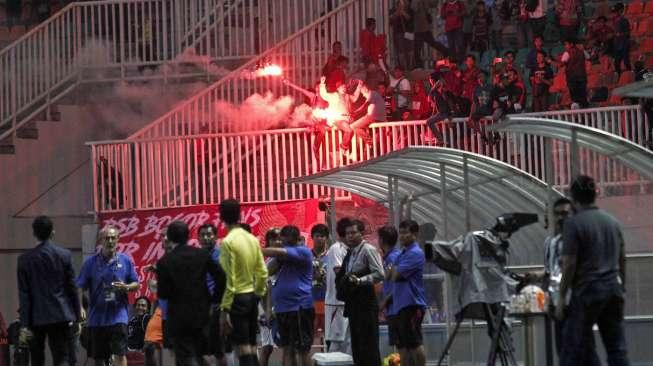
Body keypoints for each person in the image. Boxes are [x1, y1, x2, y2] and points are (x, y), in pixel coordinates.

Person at [558, 175, 630, 366]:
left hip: (587, 292)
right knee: (616, 348)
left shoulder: (573, 224)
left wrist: (561, 297)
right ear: (594, 194)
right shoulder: (612, 222)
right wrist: (622, 286)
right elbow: (622, 258)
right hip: (613, 290)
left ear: (573, 198)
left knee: (572, 347)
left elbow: (569, 264)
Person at [156, 221, 225, 366]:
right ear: (189, 236)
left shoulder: (164, 262)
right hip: (202, 313)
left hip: (178, 316)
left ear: (170, 237)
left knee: (185, 357)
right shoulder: (202, 255)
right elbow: (221, 276)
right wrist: (215, 300)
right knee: (203, 354)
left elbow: (163, 294)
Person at [16, 216, 80, 366]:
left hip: (35, 317)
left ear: (34, 233)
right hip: (61, 314)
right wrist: (77, 316)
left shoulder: (24, 259)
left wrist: (24, 324)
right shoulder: (64, 255)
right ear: (53, 233)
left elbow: (24, 294)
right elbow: (72, 288)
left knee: (37, 359)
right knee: (62, 357)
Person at [77, 226, 139, 366]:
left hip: (118, 316)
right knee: (99, 357)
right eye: (106, 238)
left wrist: (126, 287)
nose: (110, 241)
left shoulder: (125, 261)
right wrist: (80, 306)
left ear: (118, 239)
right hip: (97, 318)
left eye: (113, 238)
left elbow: (136, 284)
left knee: (120, 353)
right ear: (101, 240)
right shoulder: (90, 263)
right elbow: (80, 286)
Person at [218, 199, 268, 366]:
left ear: (222, 217)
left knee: (243, 348)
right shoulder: (252, 239)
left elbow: (229, 280)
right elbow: (262, 272)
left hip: (237, 299)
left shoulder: (227, 242)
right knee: (252, 346)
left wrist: (224, 310)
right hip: (252, 297)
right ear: (240, 215)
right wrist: (258, 295)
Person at [262, 226, 315, 366]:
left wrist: (251, 250)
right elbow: (266, 271)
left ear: (297, 240)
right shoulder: (281, 258)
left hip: (299, 307)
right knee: (287, 349)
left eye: (286, 241)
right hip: (282, 308)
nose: (282, 243)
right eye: (281, 240)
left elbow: (277, 251)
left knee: (302, 349)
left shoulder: (303, 251)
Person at [336, 219, 384, 366]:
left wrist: (360, 281)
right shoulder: (350, 253)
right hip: (354, 304)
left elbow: (380, 274)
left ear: (361, 233)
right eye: (347, 233)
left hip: (366, 304)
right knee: (357, 345)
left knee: (368, 345)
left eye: (353, 233)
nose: (349, 236)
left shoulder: (368, 250)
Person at [386, 220, 427, 366]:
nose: (402, 236)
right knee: (404, 345)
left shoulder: (415, 253)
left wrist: (393, 269)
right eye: (401, 233)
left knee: (414, 343)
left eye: (405, 233)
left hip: (412, 304)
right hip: (401, 305)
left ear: (415, 234)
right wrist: (393, 269)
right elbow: (388, 274)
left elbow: (395, 275)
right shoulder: (402, 252)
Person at [198, 224, 228, 366]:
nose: (205, 238)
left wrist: (223, 308)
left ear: (215, 237)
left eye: (209, 234)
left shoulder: (222, 255)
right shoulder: (196, 257)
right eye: (202, 235)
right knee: (200, 351)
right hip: (200, 309)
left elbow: (228, 282)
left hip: (217, 307)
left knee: (218, 350)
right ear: (198, 238)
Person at [324, 218, 352, 353]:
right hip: (336, 302)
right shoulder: (336, 248)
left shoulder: (350, 249)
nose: (353, 235)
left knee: (346, 341)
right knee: (336, 341)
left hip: (347, 303)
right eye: (350, 232)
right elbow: (338, 271)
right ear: (344, 233)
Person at [318, 76, 363, 154]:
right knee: (349, 131)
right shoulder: (334, 95)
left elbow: (355, 98)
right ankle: (342, 149)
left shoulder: (347, 96)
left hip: (348, 119)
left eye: (345, 86)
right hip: (339, 119)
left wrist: (359, 86)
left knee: (357, 132)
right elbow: (324, 95)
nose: (344, 88)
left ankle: (351, 152)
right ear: (338, 88)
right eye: (342, 87)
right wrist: (322, 83)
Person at [259, 229, 283, 366]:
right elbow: (263, 287)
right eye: (274, 239)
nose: (277, 242)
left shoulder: (282, 258)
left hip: (279, 305)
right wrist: (267, 310)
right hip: (268, 307)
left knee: (285, 346)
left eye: (280, 238)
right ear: (268, 242)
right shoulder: (269, 262)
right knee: (267, 347)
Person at [343, 82, 387, 150]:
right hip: (376, 117)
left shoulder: (372, 93)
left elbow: (365, 106)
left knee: (352, 126)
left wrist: (354, 112)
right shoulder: (374, 95)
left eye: (362, 92)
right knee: (358, 127)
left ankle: (369, 142)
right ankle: (371, 143)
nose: (363, 95)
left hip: (373, 117)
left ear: (365, 89)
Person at [378, 226, 401, 352]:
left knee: (402, 345)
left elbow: (395, 285)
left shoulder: (393, 258)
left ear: (381, 240)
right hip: (392, 309)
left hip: (396, 308)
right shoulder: (389, 257)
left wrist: (384, 302)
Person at [413, 0, 450, 67]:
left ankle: (446, 51)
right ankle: (446, 51)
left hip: (421, 28)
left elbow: (433, 4)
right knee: (420, 48)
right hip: (420, 28)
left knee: (419, 48)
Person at [311, 224, 329, 339]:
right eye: (317, 236)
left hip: (327, 302)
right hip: (310, 301)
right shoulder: (306, 256)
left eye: (322, 236)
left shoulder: (331, 255)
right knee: (309, 336)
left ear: (326, 238)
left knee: (328, 337)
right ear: (312, 237)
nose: (319, 239)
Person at [561, 38, 589, 108]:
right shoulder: (582, 51)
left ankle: (577, 116)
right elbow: (588, 57)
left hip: (572, 78)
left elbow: (562, 63)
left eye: (566, 44)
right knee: (583, 97)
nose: (565, 46)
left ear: (571, 44)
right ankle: (585, 114)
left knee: (575, 98)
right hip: (582, 77)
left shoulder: (567, 53)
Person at [390, 0, 415, 70]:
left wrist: (403, 12)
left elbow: (410, 18)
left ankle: (410, 66)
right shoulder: (393, 10)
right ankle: (403, 67)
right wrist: (397, 12)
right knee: (401, 50)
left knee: (411, 50)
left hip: (409, 32)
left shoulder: (410, 10)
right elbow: (391, 19)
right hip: (399, 33)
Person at [425, 73, 449, 146]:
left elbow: (447, 100)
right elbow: (435, 104)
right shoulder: (434, 90)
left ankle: (440, 139)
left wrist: (450, 113)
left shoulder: (440, 88)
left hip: (445, 112)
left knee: (429, 121)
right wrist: (432, 115)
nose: (430, 81)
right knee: (430, 121)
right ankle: (441, 139)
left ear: (432, 80)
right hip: (440, 112)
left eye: (430, 79)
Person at [611, 3, 631, 75]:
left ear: (621, 10)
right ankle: (620, 77)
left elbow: (628, 33)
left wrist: (620, 34)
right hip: (617, 43)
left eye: (617, 11)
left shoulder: (624, 20)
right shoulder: (614, 20)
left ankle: (630, 75)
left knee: (626, 61)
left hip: (624, 43)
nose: (615, 13)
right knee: (616, 62)